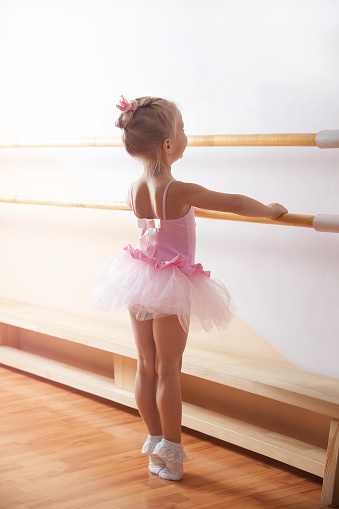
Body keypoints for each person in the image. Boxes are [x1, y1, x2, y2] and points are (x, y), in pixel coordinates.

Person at [92, 96, 288, 481]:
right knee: (169, 372)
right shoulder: (179, 190)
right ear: (167, 145)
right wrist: (268, 209)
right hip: (170, 286)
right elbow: (232, 202)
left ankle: (155, 450)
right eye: (182, 130)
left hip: (138, 278)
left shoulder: (134, 189)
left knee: (146, 368)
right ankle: (173, 455)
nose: (185, 135)